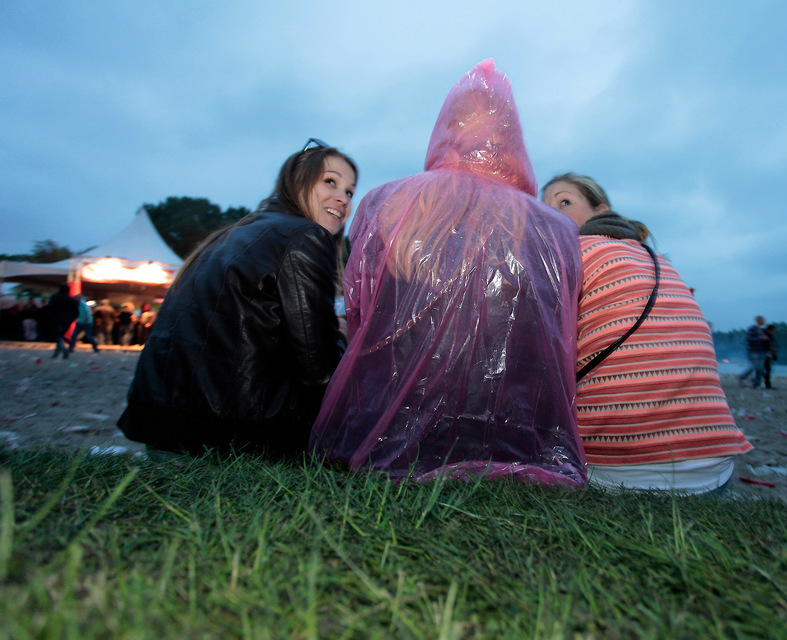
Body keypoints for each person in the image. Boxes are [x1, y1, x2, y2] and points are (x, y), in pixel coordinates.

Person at [310, 60, 586, 487]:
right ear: (512, 134)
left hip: (387, 424)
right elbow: (552, 345)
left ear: (447, 125)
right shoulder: (554, 230)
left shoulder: (389, 203)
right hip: (504, 433)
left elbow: (361, 319)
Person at [117, 139, 355, 459]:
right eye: (330, 181)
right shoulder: (303, 236)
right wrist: (342, 338)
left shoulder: (233, 234)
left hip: (163, 426)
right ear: (296, 182)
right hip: (231, 435)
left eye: (350, 191)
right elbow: (318, 370)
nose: (342, 198)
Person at [541, 173, 752, 494]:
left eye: (564, 202)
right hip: (714, 470)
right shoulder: (660, 263)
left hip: (616, 471)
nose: (552, 215)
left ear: (600, 211)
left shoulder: (573, 254)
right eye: (546, 208)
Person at [47, 284, 79, 359]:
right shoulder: (71, 300)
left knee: (57, 336)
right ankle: (56, 353)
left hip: (56, 319)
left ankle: (64, 350)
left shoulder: (55, 297)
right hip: (68, 320)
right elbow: (76, 312)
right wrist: (72, 318)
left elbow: (50, 308)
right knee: (60, 335)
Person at [737, 316, 769, 389]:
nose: (764, 321)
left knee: (759, 368)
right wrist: (760, 338)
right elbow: (749, 338)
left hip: (762, 351)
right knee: (756, 367)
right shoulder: (752, 329)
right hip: (753, 351)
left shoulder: (763, 330)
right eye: (763, 320)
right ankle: (743, 376)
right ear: (758, 320)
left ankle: (756, 384)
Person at [762, 324, 778, 389]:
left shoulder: (771, 337)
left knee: (767, 369)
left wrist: (773, 354)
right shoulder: (765, 336)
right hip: (765, 355)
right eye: (773, 330)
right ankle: (767, 384)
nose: (774, 332)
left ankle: (766, 383)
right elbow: (766, 346)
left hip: (769, 355)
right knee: (765, 369)